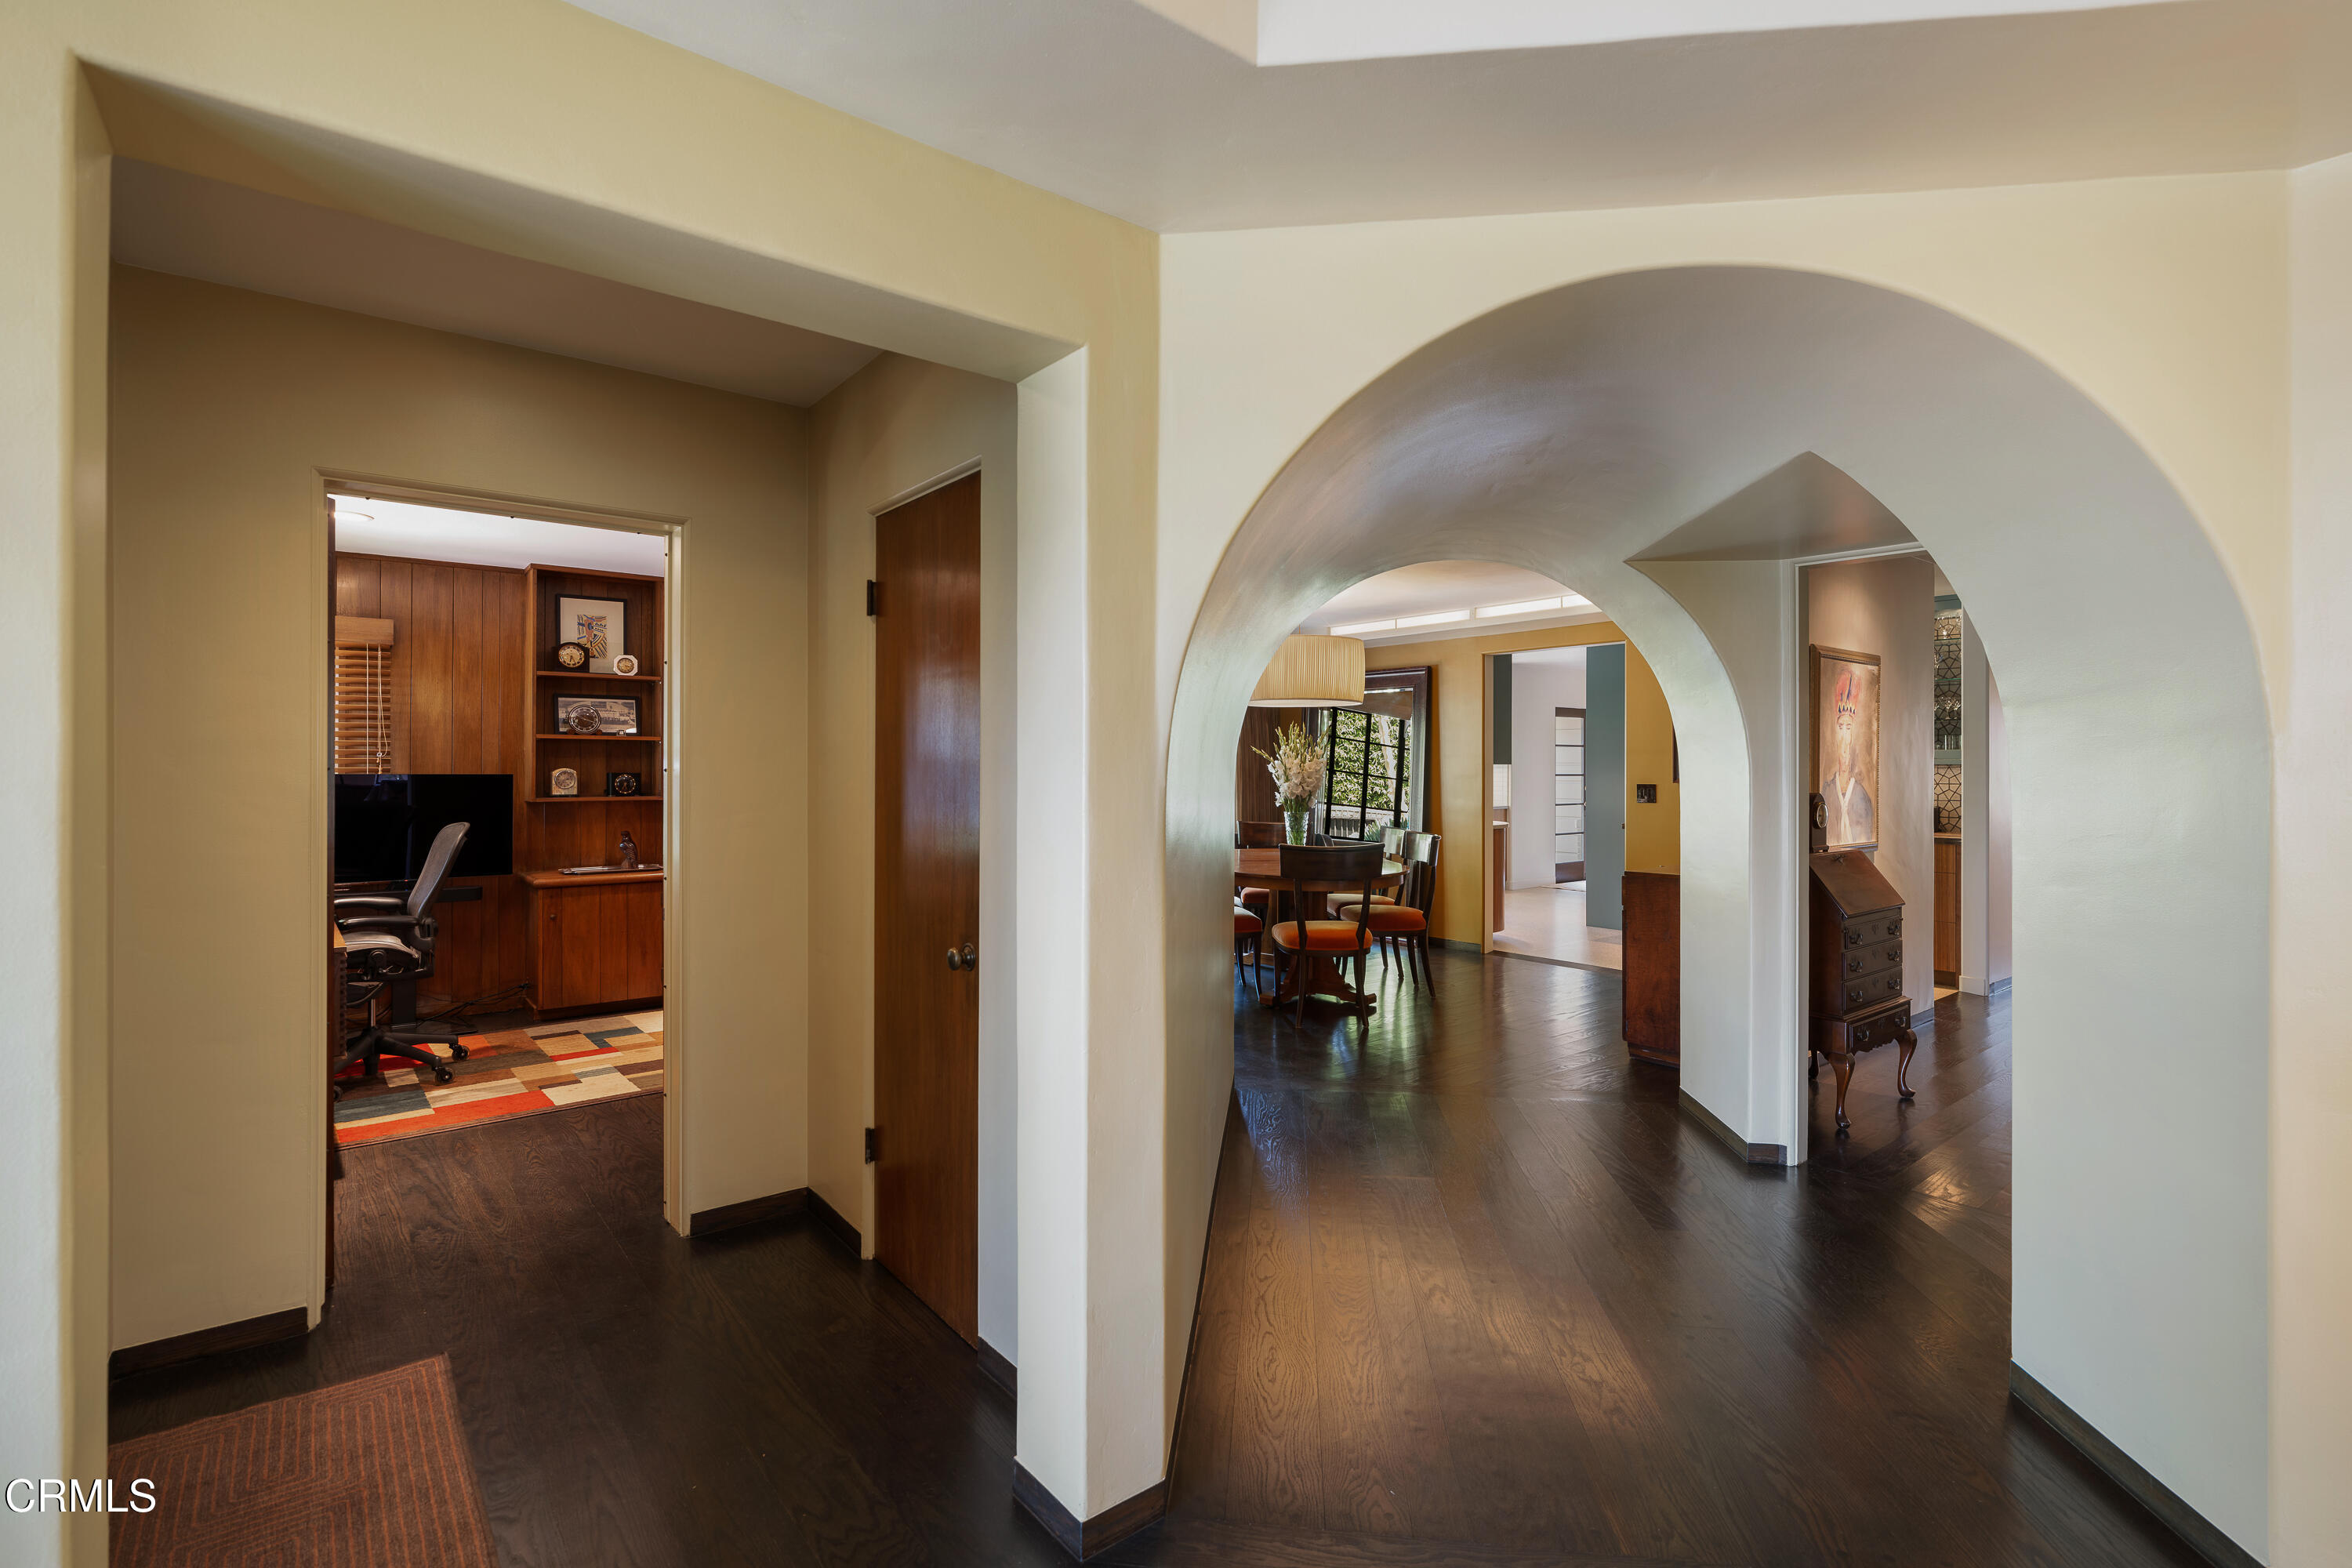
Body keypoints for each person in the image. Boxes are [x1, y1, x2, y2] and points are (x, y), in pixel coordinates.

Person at [1822, 664, 1875, 846]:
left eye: (1849, 727)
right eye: (1840, 727)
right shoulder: (1826, 791)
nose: (1844, 735)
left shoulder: (1862, 796)